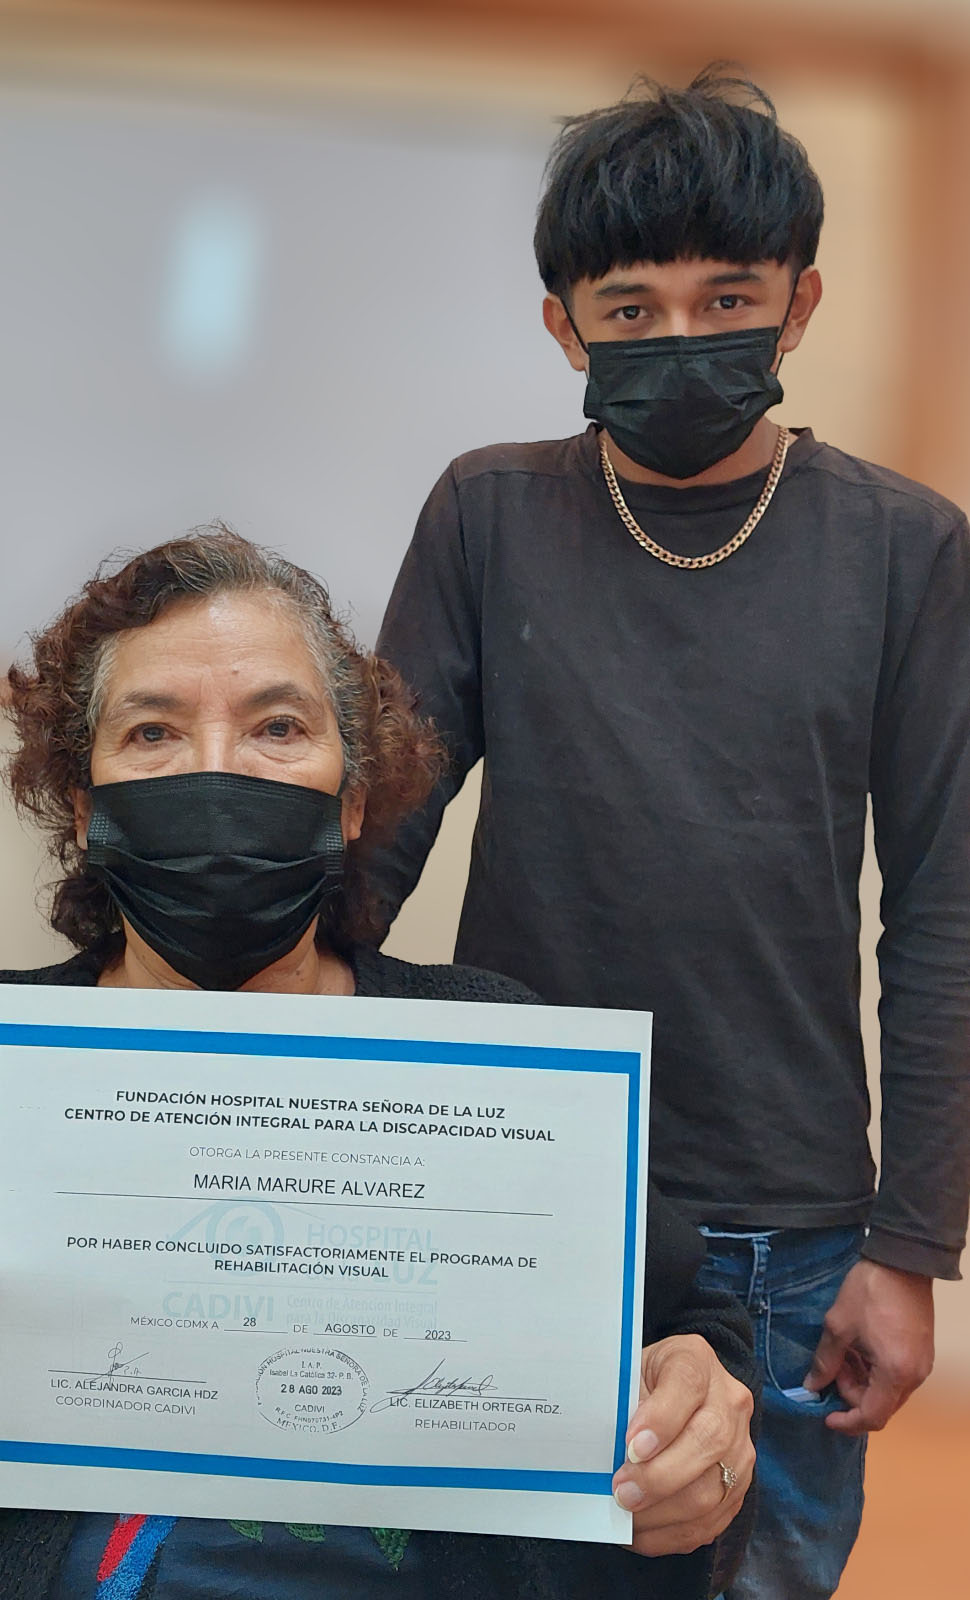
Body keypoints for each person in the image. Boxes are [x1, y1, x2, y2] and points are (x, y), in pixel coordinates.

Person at [0, 528, 755, 1600]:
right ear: (84, 805)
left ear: (350, 801)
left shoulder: (498, 1053)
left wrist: (699, 1411)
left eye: (277, 727)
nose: (217, 772)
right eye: (152, 730)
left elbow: (685, 1319)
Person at [369, 69, 970, 1600]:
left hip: (786, 1222)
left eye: (728, 297)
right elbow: (377, 836)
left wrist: (907, 1248)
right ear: (563, 324)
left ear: (799, 303)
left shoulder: (906, 548)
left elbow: (947, 905)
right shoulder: (485, 514)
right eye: (627, 309)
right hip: (512, 1176)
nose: (677, 337)